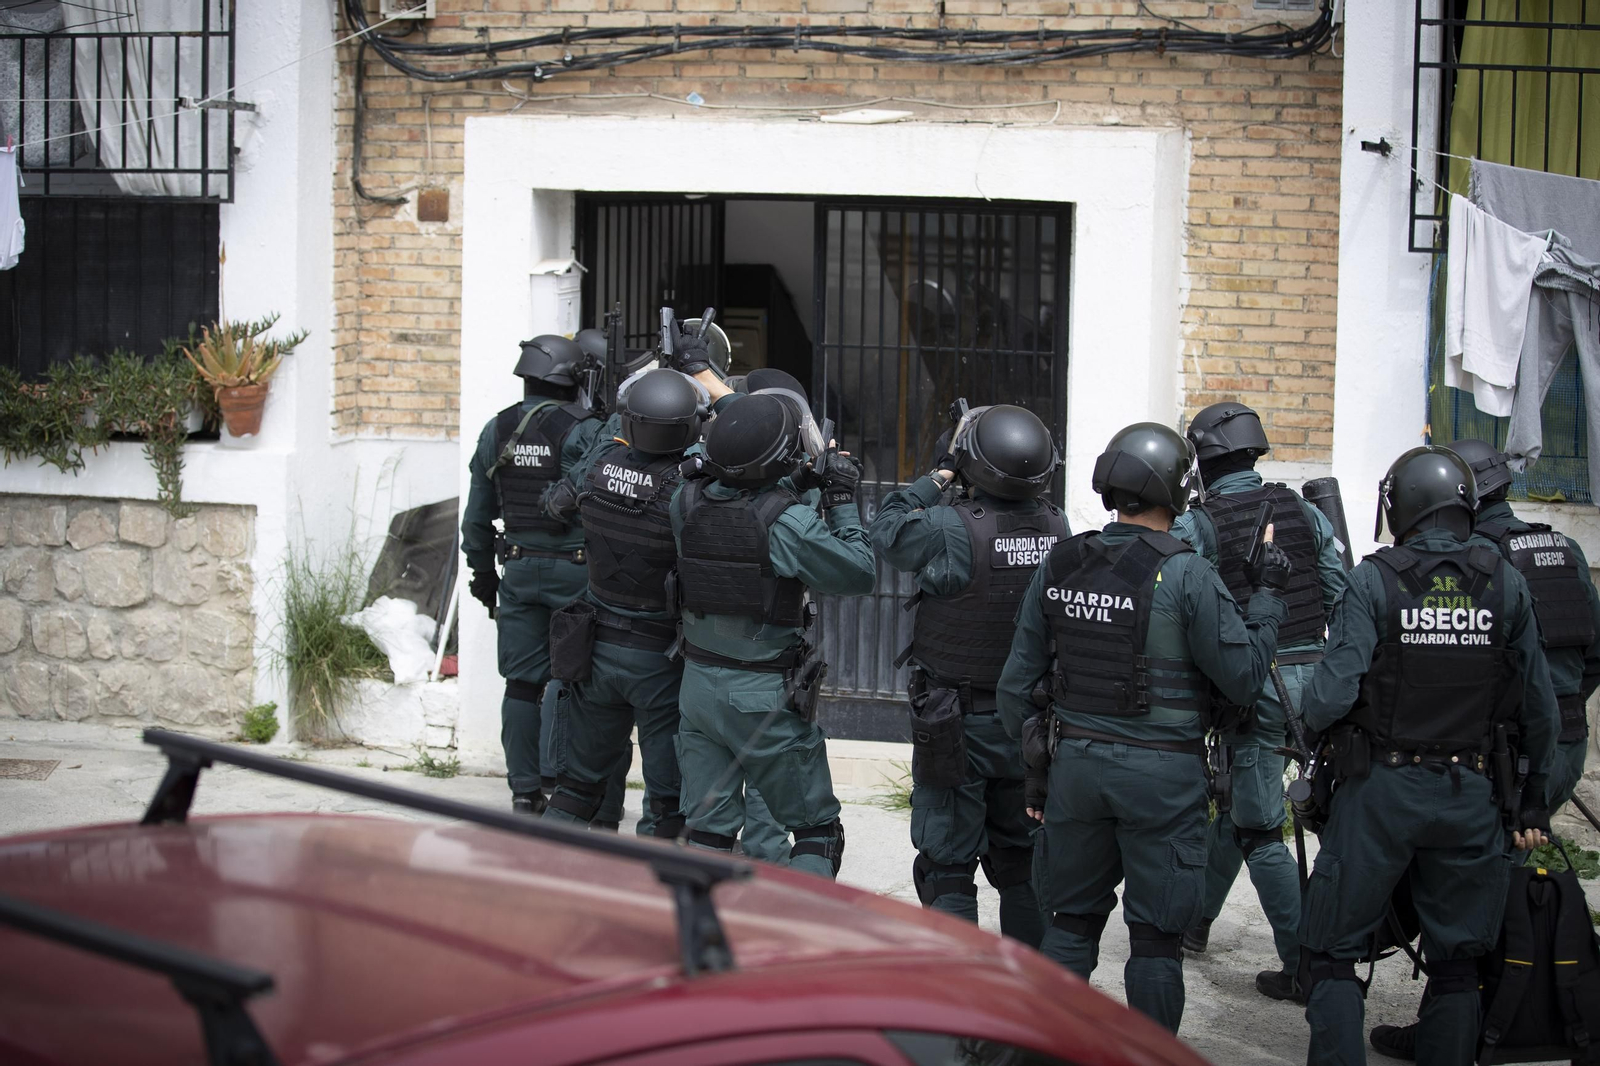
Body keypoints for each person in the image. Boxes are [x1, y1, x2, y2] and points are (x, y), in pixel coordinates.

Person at [998, 422, 1291, 1033]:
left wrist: (1039, 773)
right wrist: (1267, 596)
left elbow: (1015, 688)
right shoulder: (1187, 575)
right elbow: (1242, 677)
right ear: (1178, 489)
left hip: (1074, 771)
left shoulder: (1063, 561)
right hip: (1164, 779)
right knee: (1155, 943)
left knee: (1070, 926)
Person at [1296, 445, 1557, 1066]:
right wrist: (1534, 800)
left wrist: (1307, 721)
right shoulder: (1505, 581)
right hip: (1472, 794)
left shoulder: (1373, 579)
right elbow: (1541, 707)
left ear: (1402, 507)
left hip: (1380, 793)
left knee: (1332, 952)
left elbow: (1330, 697)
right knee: (1457, 965)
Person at [1366, 438, 1600, 1061]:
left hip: (1502, 752)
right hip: (1561, 739)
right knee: (1498, 881)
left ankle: (1477, 1028)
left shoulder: (1477, 560)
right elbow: (1594, 649)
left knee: (1467, 891)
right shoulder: (1562, 547)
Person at [871, 403, 1068, 944]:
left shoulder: (947, 526)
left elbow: (885, 530)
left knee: (946, 865)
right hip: (1027, 723)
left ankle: (963, 1006)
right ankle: (1025, 998)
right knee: (1021, 861)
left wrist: (938, 477)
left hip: (955, 721)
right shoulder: (1058, 523)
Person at [1173, 401, 1348, 1003]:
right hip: (1319, 682)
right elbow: (1338, 592)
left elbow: (1180, 601)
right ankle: (1195, 920)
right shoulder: (1302, 509)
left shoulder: (1199, 523)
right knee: (1246, 806)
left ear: (1203, 458)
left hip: (1257, 683)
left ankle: (1303, 963)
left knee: (1259, 828)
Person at [669, 383, 876, 878]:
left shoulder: (685, 501)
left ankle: (705, 937)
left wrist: (798, 475)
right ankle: (798, 943)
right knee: (816, 831)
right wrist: (842, 498)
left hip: (697, 687)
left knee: (708, 832)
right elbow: (858, 572)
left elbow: (741, 488)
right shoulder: (790, 524)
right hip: (760, 694)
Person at [539, 369, 705, 838]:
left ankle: (530, 882)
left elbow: (564, 494)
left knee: (574, 790)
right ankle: (650, 900)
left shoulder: (597, 465)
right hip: (658, 662)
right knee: (667, 804)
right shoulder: (686, 490)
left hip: (594, 651)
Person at [461, 335, 606, 815]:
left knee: (522, 684)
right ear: (573, 379)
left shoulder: (496, 429)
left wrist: (483, 575)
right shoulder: (585, 430)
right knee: (568, 680)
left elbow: (476, 517)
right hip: (576, 574)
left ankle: (524, 791)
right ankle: (556, 781)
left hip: (518, 570)